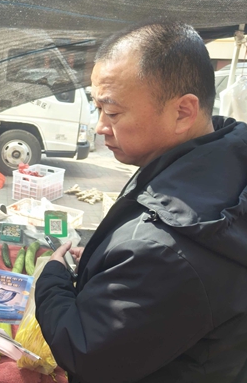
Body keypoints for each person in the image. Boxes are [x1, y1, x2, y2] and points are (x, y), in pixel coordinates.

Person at [35, 21, 247, 383]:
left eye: (113, 112)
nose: (100, 126)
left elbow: (84, 349)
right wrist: (105, 262)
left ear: (183, 112)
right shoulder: (225, 154)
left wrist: (52, 278)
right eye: (97, 108)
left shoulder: (165, 248)